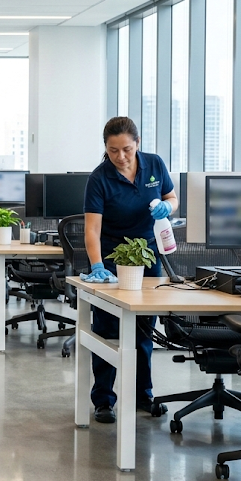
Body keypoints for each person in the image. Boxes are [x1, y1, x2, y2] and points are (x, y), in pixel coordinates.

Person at [80, 116, 177, 424]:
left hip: (148, 257)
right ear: (105, 149)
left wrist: (168, 207)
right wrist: (97, 265)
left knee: (143, 331)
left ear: (138, 144)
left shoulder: (155, 164)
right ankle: (104, 400)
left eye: (126, 149)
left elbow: (171, 197)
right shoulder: (99, 178)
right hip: (112, 259)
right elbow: (92, 229)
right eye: (112, 151)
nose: (120, 157)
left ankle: (142, 395)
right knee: (107, 331)